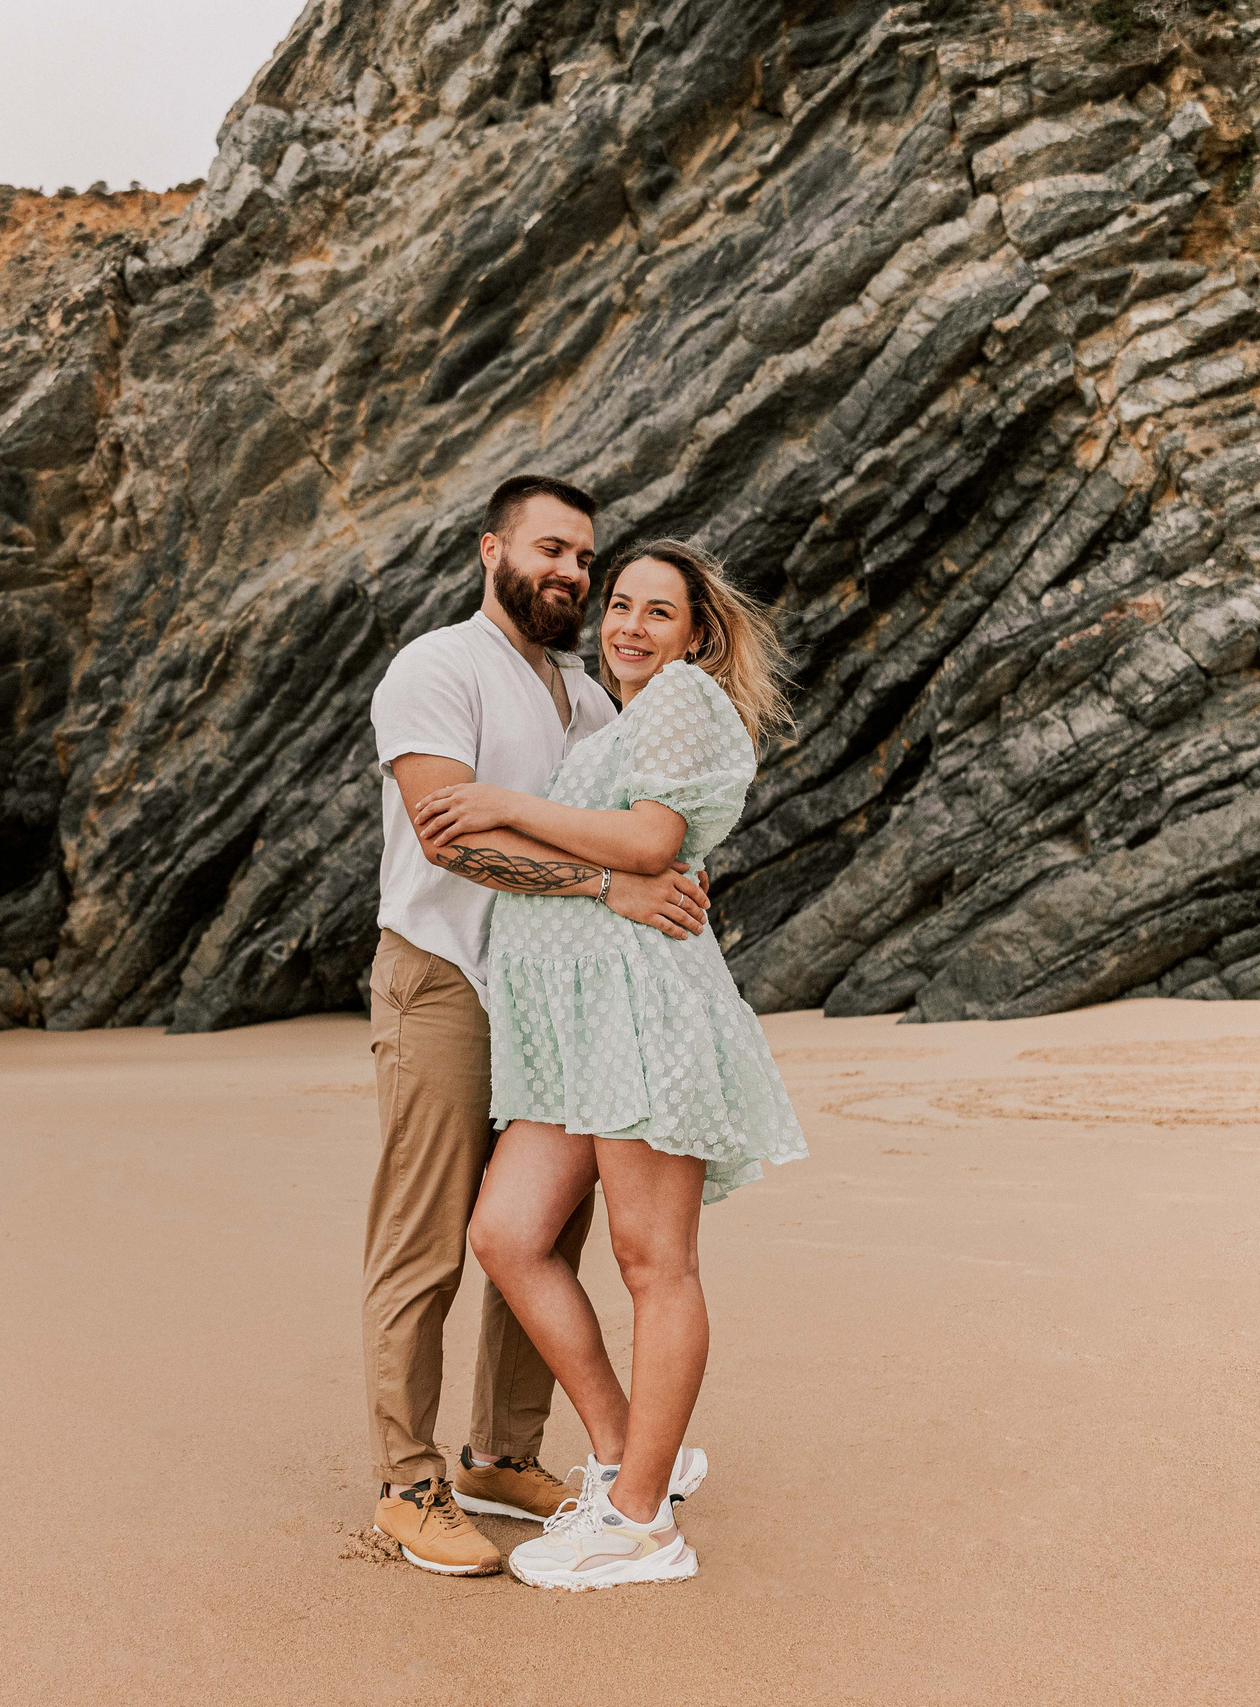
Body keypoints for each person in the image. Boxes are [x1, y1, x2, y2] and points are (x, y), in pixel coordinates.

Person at [412, 537, 807, 1592]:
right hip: (571, 1031)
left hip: (640, 1013)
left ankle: (641, 1526)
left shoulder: (682, 699)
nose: (628, 626)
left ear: (694, 634)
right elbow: (621, 846)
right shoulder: (625, 717)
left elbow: (645, 843)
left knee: (652, 1264)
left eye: (656, 611)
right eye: (618, 605)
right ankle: (636, 1456)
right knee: (506, 1233)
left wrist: (498, 803)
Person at [365, 477, 717, 1578]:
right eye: (551, 550)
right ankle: (408, 1477)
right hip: (444, 979)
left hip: (548, 996)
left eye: (584, 559)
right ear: (491, 550)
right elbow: (447, 837)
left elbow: (638, 830)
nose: (570, 574)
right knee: (427, 1239)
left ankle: (500, 1452)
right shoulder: (438, 667)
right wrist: (603, 889)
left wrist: (650, 878)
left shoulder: (586, 694)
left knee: (537, 1235)